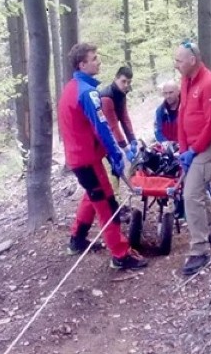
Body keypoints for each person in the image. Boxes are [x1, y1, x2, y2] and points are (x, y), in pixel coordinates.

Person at [57, 42, 147, 270]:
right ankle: (120, 254)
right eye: (94, 58)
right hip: (85, 159)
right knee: (107, 203)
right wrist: (116, 155)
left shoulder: (72, 87)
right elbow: (102, 127)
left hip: (82, 157)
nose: (99, 61)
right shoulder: (87, 93)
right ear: (82, 64)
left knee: (92, 195)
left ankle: (77, 239)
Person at [174, 41, 211, 276]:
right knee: (194, 188)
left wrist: (194, 150)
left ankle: (199, 250)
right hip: (193, 148)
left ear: (192, 61)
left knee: (190, 194)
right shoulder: (186, 81)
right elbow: (183, 115)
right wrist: (183, 148)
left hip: (209, 146)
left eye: (179, 60)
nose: (176, 64)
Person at [100, 67, 137, 190]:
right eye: (123, 81)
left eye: (129, 82)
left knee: (115, 172)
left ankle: (115, 199)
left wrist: (132, 139)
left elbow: (124, 117)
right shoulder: (107, 97)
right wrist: (126, 149)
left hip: (108, 137)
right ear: (116, 78)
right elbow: (113, 125)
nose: (126, 85)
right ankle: (114, 200)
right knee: (111, 173)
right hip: (100, 139)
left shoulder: (121, 94)